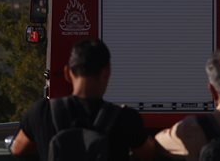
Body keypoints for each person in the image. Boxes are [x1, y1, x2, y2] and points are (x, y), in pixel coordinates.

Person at [10, 38, 155, 161]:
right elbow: (148, 153)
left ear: (67, 73)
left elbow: (17, 149)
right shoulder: (126, 119)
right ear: (107, 72)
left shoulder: (41, 112)